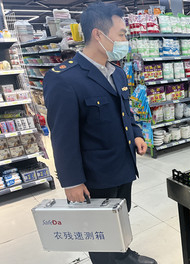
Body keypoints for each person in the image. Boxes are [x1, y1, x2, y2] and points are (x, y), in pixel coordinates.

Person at [43, 3, 157, 264]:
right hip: (94, 175)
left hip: (123, 165)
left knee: (120, 216)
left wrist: (137, 133)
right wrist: (71, 182)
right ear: (98, 35)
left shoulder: (117, 73)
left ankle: (124, 255)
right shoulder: (64, 79)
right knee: (99, 232)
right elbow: (62, 136)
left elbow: (125, 111)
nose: (125, 40)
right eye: (121, 34)